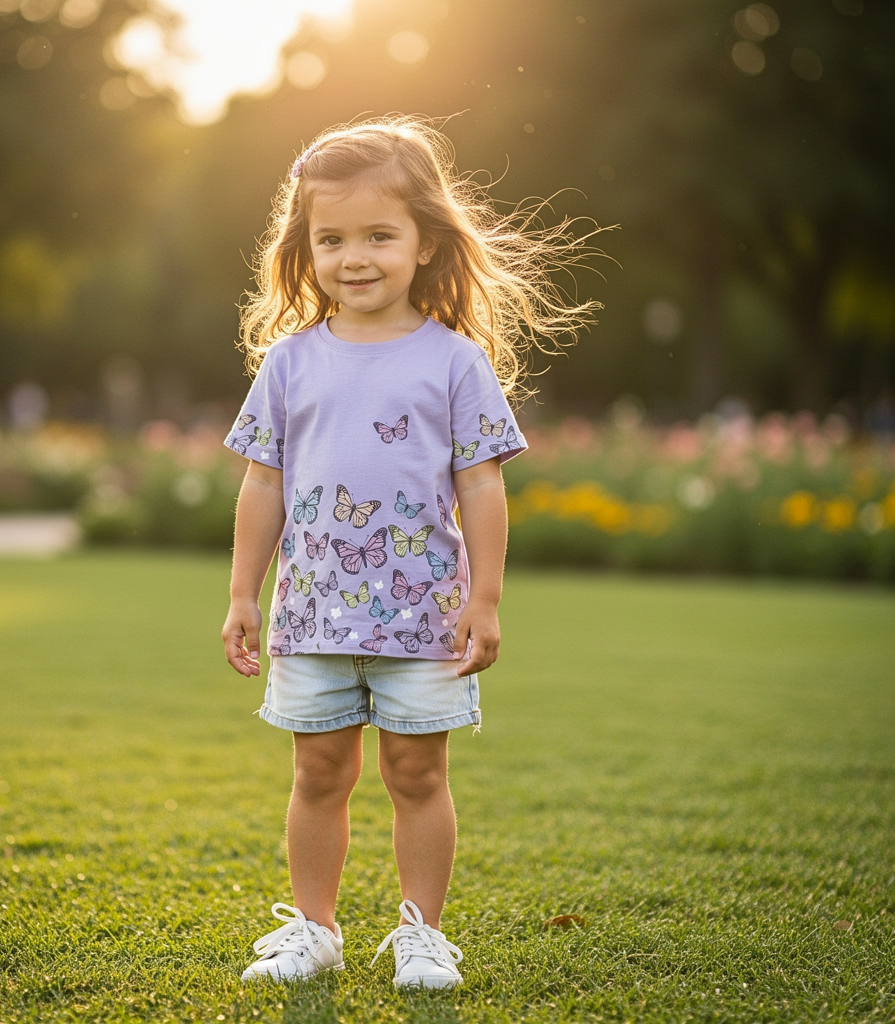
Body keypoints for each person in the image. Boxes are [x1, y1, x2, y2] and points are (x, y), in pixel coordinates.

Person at [221, 116, 601, 988]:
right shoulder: (287, 364)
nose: (355, 257)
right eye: (332, 238)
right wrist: (244, 593)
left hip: (424, 617)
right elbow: (263, 485)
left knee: (416, 770)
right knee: (318, 770)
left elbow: (482, 488)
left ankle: (423, 934)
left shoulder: (456, 363)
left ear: (425, 242)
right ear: (305, 248)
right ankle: (313, 930)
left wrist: (487, 597)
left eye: (379, 236)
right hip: (311, 613)